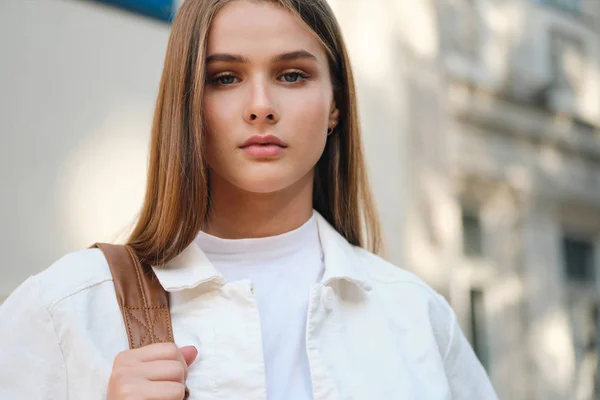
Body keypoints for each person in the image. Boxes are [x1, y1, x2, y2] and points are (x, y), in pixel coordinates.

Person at [0, 0, 497, 399]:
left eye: (292, 75)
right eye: (225, 78)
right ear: (187, 102)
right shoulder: (65, 310)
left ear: (336, 105)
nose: (261, 107)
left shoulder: (415, 317)